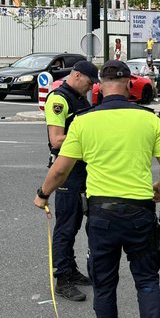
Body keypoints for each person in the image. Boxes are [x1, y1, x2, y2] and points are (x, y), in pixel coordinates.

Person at [34, 60, 160, 318]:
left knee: (104, 285)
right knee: (147, 281)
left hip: (102, 216)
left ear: (98, 85)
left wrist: (42, 194)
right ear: (129, 84)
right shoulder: (148, 119)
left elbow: (60, 168)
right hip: (140, 212)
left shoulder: (85, 122)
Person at [43, 60, 100, 302]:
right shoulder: (59, 99)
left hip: (82, 168)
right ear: (76, 75)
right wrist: (86, 135)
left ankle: (72, 269)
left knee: (76, 223)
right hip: (67, 171)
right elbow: (56, 140)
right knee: (66, 226)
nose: (90, 87)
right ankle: (62, 278)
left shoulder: (79, 97)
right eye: (88, 82)